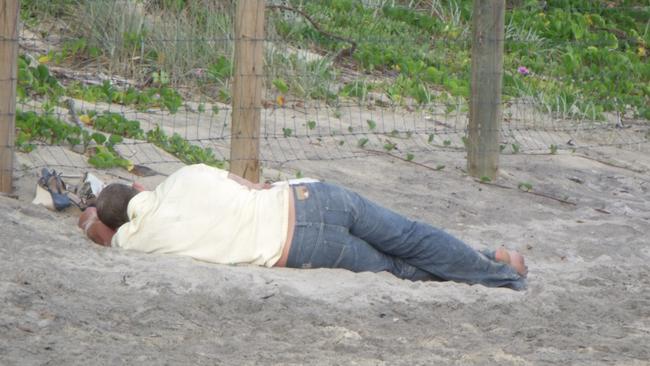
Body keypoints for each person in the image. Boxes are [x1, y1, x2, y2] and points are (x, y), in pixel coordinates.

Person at [78, 164, 527, 290]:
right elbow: (246, 182)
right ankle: (492, 262)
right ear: (139, 189)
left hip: (301, 245)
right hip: (308, 197)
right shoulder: (184, 177)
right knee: (409, 235)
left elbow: (100, 232)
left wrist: (90, 215)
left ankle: (499, 276)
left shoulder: (137, 240)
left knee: (398, 268)